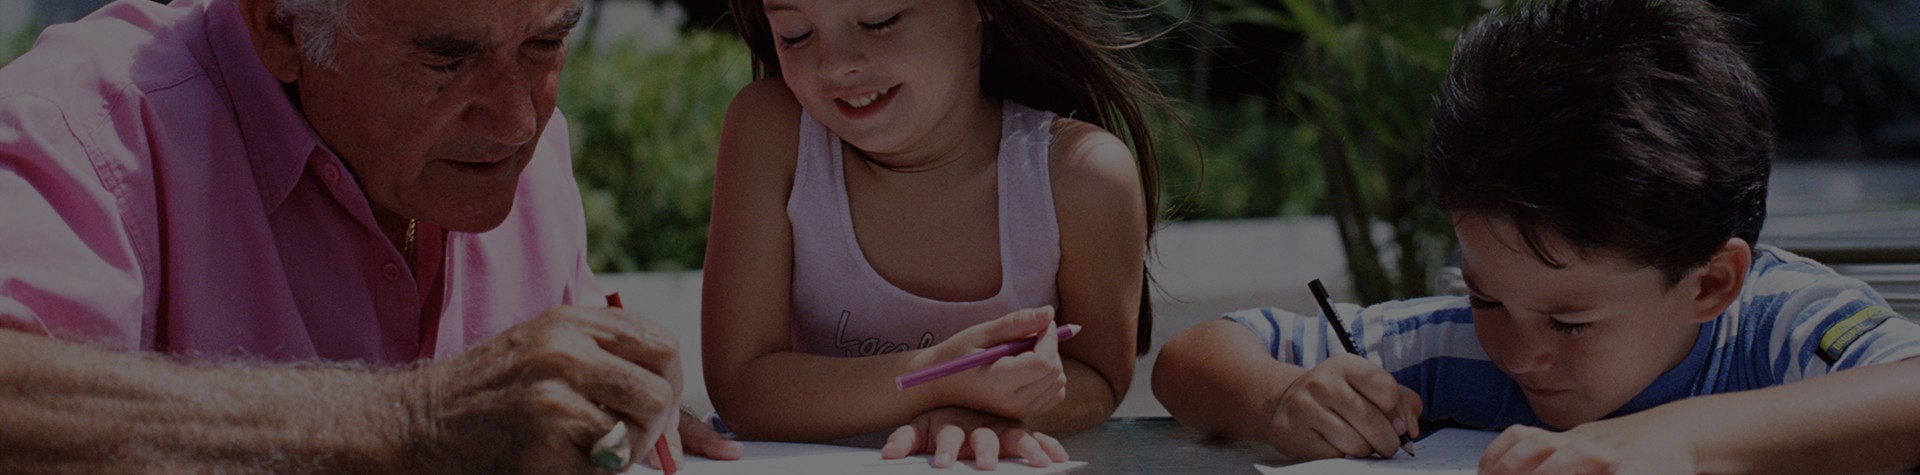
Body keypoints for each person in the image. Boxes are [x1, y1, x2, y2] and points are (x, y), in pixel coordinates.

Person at [1152, 0, 1920, 473]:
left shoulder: (1776, 327)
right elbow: (1193, 359)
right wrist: (1278, 396)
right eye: (1484, 296)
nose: (1519, 354)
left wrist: (1673, 440)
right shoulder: (1457, 350)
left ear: (1711, 283)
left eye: (1570, 320)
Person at [0, 0, 739, 471]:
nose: (518, 121)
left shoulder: (525, 153)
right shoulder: (86, 119)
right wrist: (412, 421)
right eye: (446, 59)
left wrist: (609, 398)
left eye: (548, 41)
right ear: (282, 27)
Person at [703, 0, 1176, 469]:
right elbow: (742, 387)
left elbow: (1097, 376)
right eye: (795, 34)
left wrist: (988, 412)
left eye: (879, 21)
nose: (836, 65)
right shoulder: (773, 131)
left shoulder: (1080, 176)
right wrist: (943, 376)